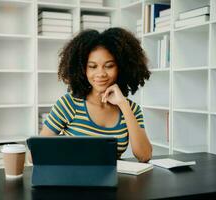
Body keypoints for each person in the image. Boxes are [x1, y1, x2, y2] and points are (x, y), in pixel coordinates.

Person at [40, 27, 152, 162]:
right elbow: (36, 153)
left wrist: (123, 104)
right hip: (73, 179)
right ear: (82, 69)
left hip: (113, 181)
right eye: (92, 66)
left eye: (109, 66)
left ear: (121, 67)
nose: (101, 74)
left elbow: (144, 156)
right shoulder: (69, 104)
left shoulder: (132, 109)